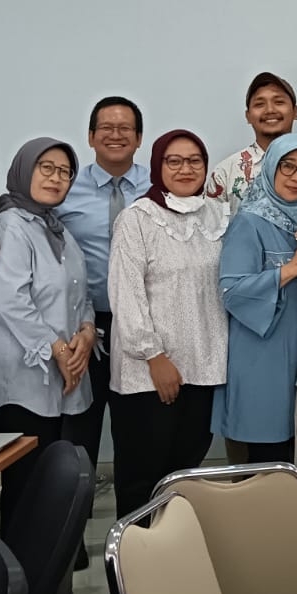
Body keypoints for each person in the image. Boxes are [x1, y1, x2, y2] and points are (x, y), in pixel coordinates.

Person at [107, 129, 229, 519]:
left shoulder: (219, 216)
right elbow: (126, 293)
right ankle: (135, 554)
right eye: (173, 161)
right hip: (150, 373)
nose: (185, 169)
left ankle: (175, 552)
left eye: (194, 160)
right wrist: (154, 356)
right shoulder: (137, 219)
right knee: (143, 477)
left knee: (184, 476)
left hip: (203, 367)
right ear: (158, 166)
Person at [0, 137, 95, 532]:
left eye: (65, 172)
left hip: (62, 372)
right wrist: (58, 349)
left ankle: (49, 563)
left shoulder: (57, 228)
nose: (56, 178)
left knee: (52, 484)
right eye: (46, 168)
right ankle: (19, 566)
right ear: (24, 170)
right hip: (21, 379)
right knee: (26, 487)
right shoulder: (10, 224)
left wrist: (87, 332)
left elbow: (81, 293)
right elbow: (10, 299)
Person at [213, 134, 297, 465]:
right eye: (287, 166)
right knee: (266, 462)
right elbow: (232, 292)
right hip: (262, 359)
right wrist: (292, 268)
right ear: (271, 168)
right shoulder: (249, 221)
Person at [55, 96, 149, 491]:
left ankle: (138, 522)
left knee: (138, 431)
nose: (116, 135)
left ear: (139, 138)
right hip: (83, 326)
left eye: (125, 128)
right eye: (106, 128)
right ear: (91, 136)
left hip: (142, 325)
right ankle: (72, 524)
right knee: (78, 432)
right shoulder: (64, 189)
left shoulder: (156, 186)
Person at [206, 72, 297, 213]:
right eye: (259, 104)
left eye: (279, 102)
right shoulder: (225, 172)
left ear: (295, 112)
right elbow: (211, 224)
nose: (270, 110)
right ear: (248, 116)